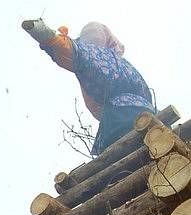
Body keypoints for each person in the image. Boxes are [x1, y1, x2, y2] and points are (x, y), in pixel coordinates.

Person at [23, 20, 155, 155]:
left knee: (120, 164)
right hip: (147, 117)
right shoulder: (122, 63)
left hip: (121, 119)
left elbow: (75, 52)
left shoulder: (98, 55)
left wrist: (51, 39)